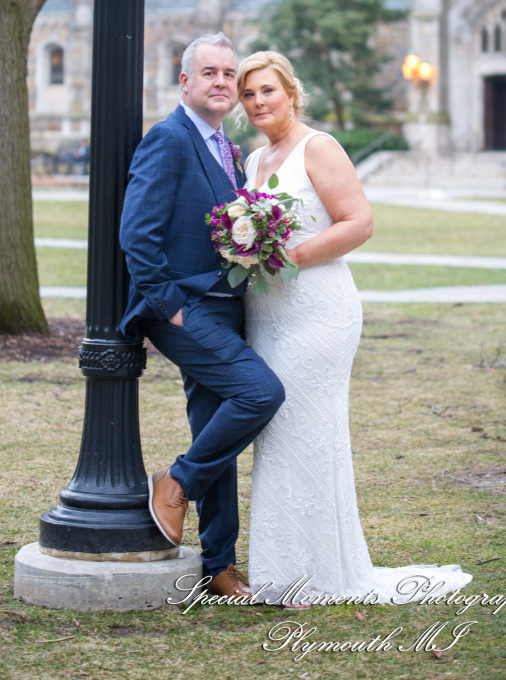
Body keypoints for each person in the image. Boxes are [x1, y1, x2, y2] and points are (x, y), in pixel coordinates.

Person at [238, 51, 472, 606]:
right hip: (267, 314)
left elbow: (359, 222)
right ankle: (282, 568)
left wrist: (291, 256)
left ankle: (319, 575)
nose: (258, 102)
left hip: (317, 310)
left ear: (291, 94)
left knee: (308, 432)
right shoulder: (254, 160)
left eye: (268, 90)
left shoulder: (317, 147)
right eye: (249, 94)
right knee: (277, 434)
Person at [119, 33, 285, 600]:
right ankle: (176, 480)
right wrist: (171, 308)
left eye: (228, 74)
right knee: (260, 393)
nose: (221, 82)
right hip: (184, 311)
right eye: (209, 72)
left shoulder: (228, 149)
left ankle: (218, 565)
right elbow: (137, 236)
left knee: (216, 428)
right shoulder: (168, 139)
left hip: (226, 308)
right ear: (185, 81)